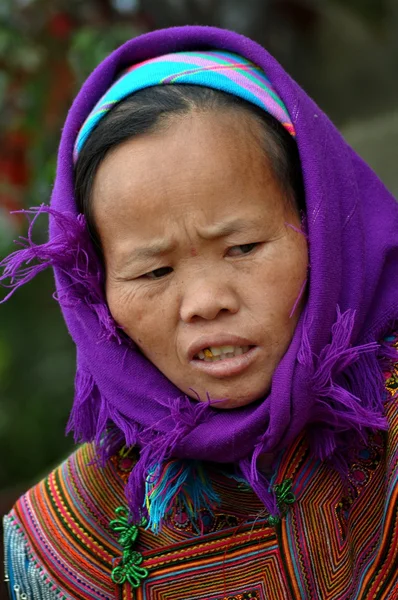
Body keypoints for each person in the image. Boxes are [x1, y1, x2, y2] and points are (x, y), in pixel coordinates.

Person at [1, 25, 398, 600]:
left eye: (243, 248)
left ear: (324, 229)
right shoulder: (68, 538)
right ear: (95, 293)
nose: (206, 301)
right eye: (153, 272)